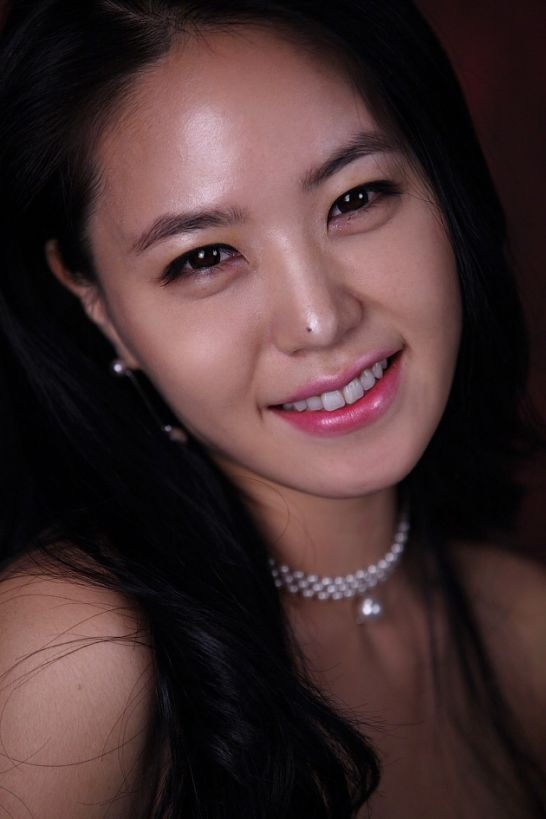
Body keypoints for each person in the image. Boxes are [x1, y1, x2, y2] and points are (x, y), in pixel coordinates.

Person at [0, 1, 544, 817]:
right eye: (204, 256)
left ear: (443, 183)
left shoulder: (527, 630)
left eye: (356, 198)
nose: (320, 319)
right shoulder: (69, 657)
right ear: (98, 304)